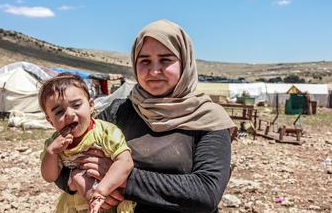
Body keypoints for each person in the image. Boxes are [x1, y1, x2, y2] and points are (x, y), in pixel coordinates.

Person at [56, 19, 235, 212]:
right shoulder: (120, 111)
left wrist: (123, 177)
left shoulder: (208, 118)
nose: (154, 71)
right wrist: (79, 182)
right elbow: (64, 158)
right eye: (144, 61)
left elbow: (206, 191)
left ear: (185, 63)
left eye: (166, 59)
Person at [39, 73, 136, 213]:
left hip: (109, 202)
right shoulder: (54, 143)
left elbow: (125, 161)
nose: (69, 114)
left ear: (91, 106)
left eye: (76, 105)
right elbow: (50, 177)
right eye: (59, 112)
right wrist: (51, 153)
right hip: (75, 206)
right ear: (50, 121)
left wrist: (101, 191)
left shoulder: (105, 132)